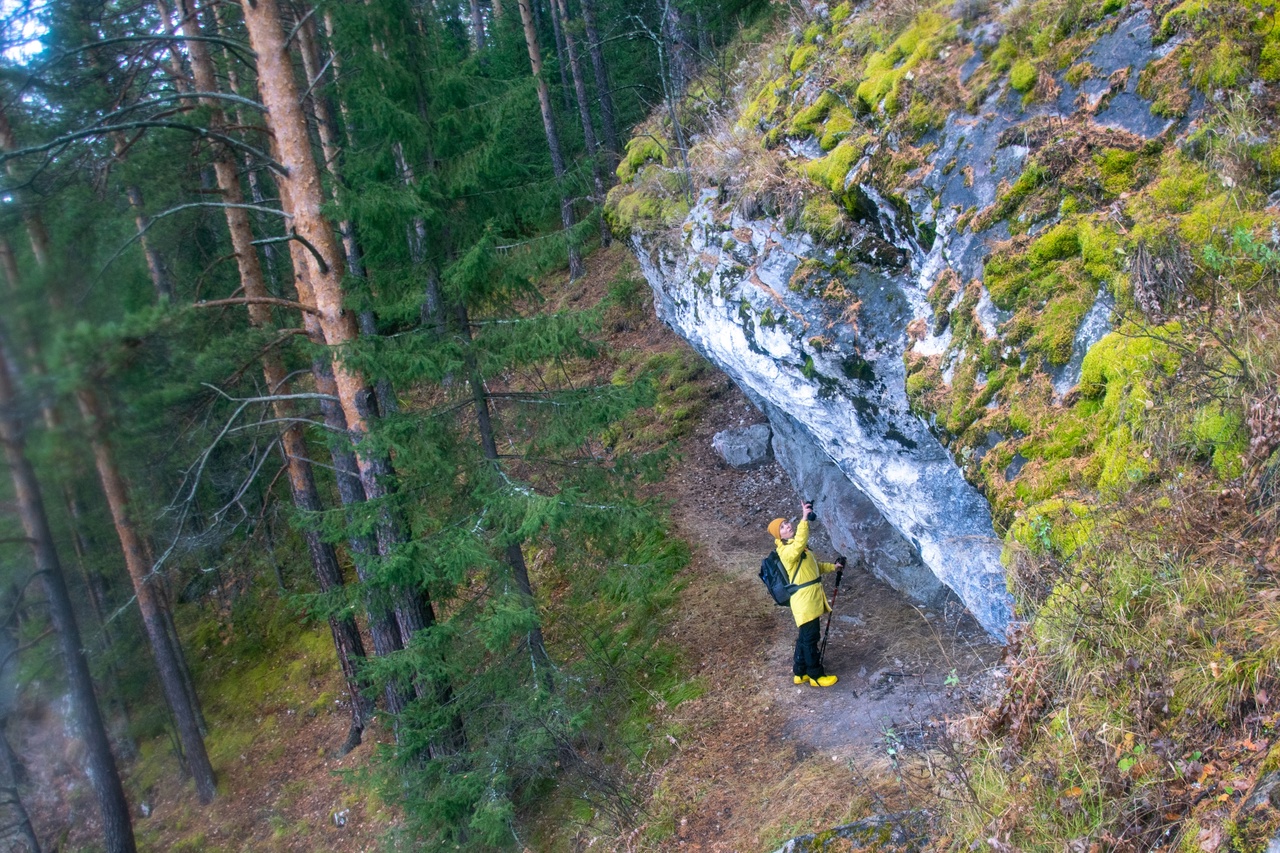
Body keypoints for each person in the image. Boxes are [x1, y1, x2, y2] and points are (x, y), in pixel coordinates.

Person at [768, 500, 846, 688]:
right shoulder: (786, 551)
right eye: (783, 527)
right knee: (811, 638)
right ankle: (816, 676)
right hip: (804, 601)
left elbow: (813, 567)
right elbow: (799, 544)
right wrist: (804, 519)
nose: (788, 526)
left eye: (787, 523)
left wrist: (832, 567)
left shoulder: (797, 547)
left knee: (805, 636)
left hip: (808, 599)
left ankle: (800, 672)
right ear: (779, 535)